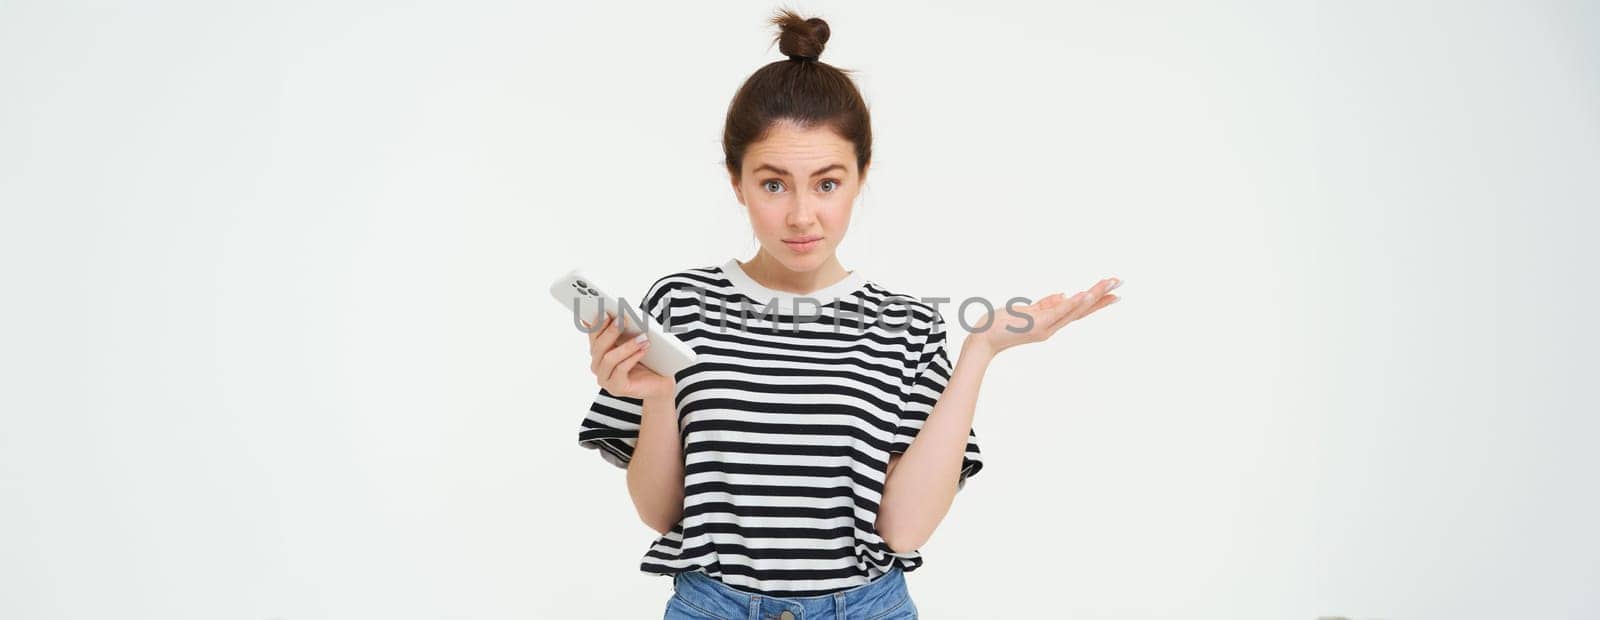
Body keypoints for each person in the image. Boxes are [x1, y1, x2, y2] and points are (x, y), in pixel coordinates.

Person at [573, 9, 1121, 619]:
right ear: (737, 182)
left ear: (860, 177)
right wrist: (656, 394)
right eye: (774, 184)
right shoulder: (679, 305)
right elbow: (662, 514)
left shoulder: (908, 326)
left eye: (827, 183)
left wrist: (981, 350)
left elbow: (904, 531)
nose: (803, 215)